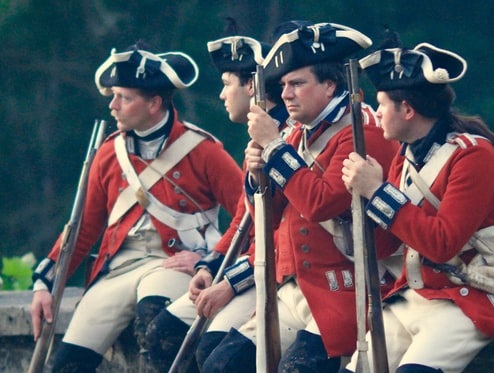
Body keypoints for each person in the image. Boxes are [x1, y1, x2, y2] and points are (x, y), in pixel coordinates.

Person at [340, 43, 494, 373]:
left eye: (381, 105)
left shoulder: (474, 157)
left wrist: (378, 192)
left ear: (407, 110)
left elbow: (442, 243)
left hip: (473, 296)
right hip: (421, 295)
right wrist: (360, 203)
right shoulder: (405, 158)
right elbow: (387, 245)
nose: (376, 115)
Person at [29, 41, 244, 372]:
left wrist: (209, 257)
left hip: (172, 263)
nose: (113, 105)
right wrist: (45, 282)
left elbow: (250, 214)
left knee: (155, 329)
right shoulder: (107, 151)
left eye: (124, 98)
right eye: (114, 96)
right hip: (119, 267)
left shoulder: (204, 151)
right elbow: (83, 228)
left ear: (154, 103)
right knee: (67, 363)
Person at [202, 22, 400, 373]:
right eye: (284, 85)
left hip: (344, 289)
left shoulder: (361, 129)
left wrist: (275, 148)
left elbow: (322, 203)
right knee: (221, 364)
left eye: (297, 84)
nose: (287, 94)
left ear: (329, 84)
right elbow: (269, 215)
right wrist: (256, 174)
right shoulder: (297, 134)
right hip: (296, 286)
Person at [141, 31, 292, 372]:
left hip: (278, 273)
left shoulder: (288, 139)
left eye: (227, 83)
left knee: (215, 354)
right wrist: (210, 266)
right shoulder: (258, 138)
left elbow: (284, 236)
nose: (222, 94)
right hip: (251, 266)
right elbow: (242, 220)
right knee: (163, 333)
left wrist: (230, 281)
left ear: (252, 86)